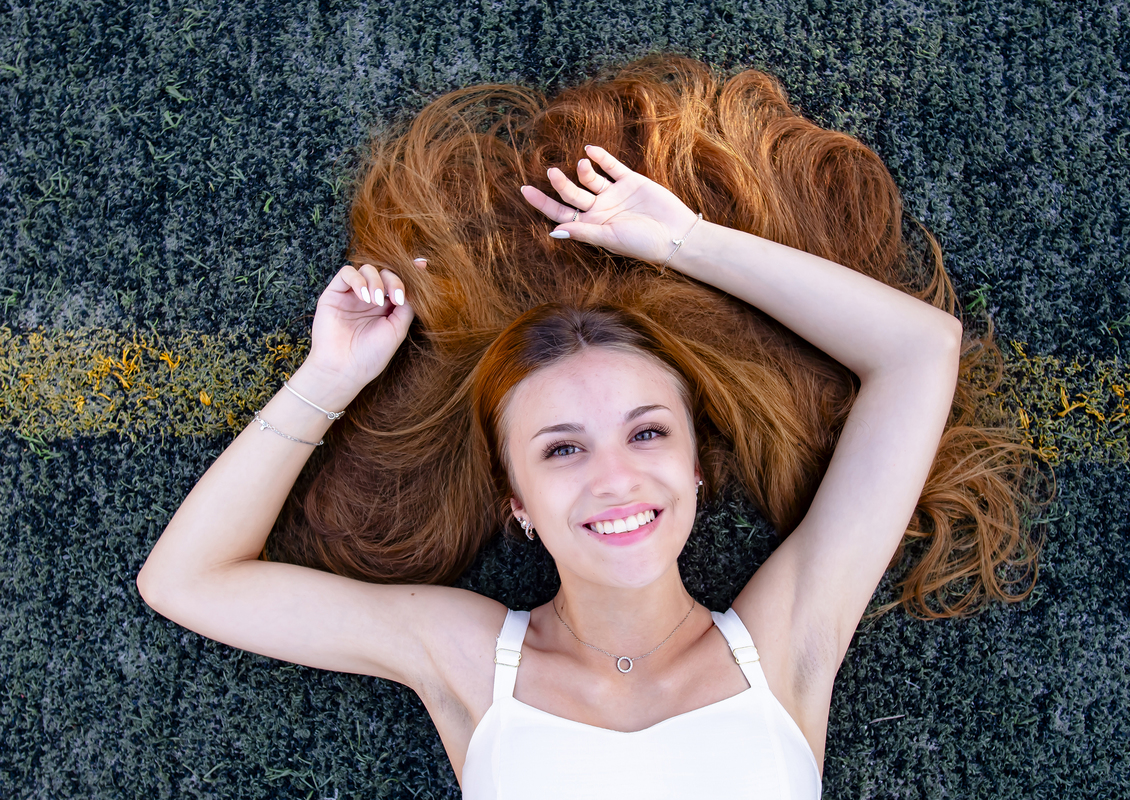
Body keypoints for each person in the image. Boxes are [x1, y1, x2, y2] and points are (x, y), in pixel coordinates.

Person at [138, 56, 1037, 798]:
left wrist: (686, 240)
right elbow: (188, 581)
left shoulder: (790, 641)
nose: (615, 478)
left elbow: (920, 353)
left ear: (696, 467)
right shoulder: (461, 659)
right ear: (516, 500)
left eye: (648, 433)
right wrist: (330, 377)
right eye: (562, 448)